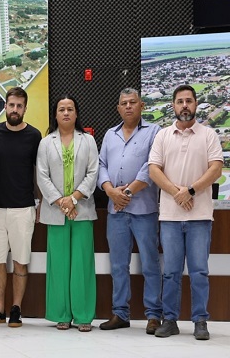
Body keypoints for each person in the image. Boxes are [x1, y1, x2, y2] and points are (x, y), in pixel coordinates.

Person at [148, 84, 222, 341]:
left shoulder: (208, 135)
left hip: (199, 217)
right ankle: (170, 320)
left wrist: (190, 191)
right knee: (171, 272)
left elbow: (216, 169)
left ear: (196, 104)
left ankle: (200, 320)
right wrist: (176, 192)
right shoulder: (163, 136)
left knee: (199, 271)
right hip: (170, 216)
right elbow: (154, 170)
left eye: (189, 101)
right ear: (173, 106)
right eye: (180, 101)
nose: (185, 106)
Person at [98, 88, 162, 334]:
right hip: (116, 211)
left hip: (144, 210)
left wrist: (126, 192)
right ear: (118, 108)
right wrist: (110, 190)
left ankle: (153, 315)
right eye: (123, 103)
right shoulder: (110, 134)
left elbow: (152, 166)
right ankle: (120, 314)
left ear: (141, 105)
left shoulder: (154, 132)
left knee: (150, 263)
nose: (128, 106)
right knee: (118, 265)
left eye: (132, 102)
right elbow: (101, 165)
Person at [0, 87, 41, 328]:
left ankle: (16, 309)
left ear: (25, 109)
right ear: (5, 106)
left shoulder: (34, 136)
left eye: (19, 106)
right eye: (11, 105)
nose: (15, 110)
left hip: (23, 208)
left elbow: (38, 172)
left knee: (20, 262)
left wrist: (39, 203)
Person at [36, 95, 98, 332]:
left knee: (82, 265)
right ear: (55, 114)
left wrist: (73, 199)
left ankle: (83, 316)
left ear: (76, 113)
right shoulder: (46, 143)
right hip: (56, 211)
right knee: (59, 265)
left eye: (70, 109)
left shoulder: (88, 140)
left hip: (82, 210)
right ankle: (61, 314)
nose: (66, 113)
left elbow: (93, 173)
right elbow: (42, 176)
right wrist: (61, 201)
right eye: (61, 109)